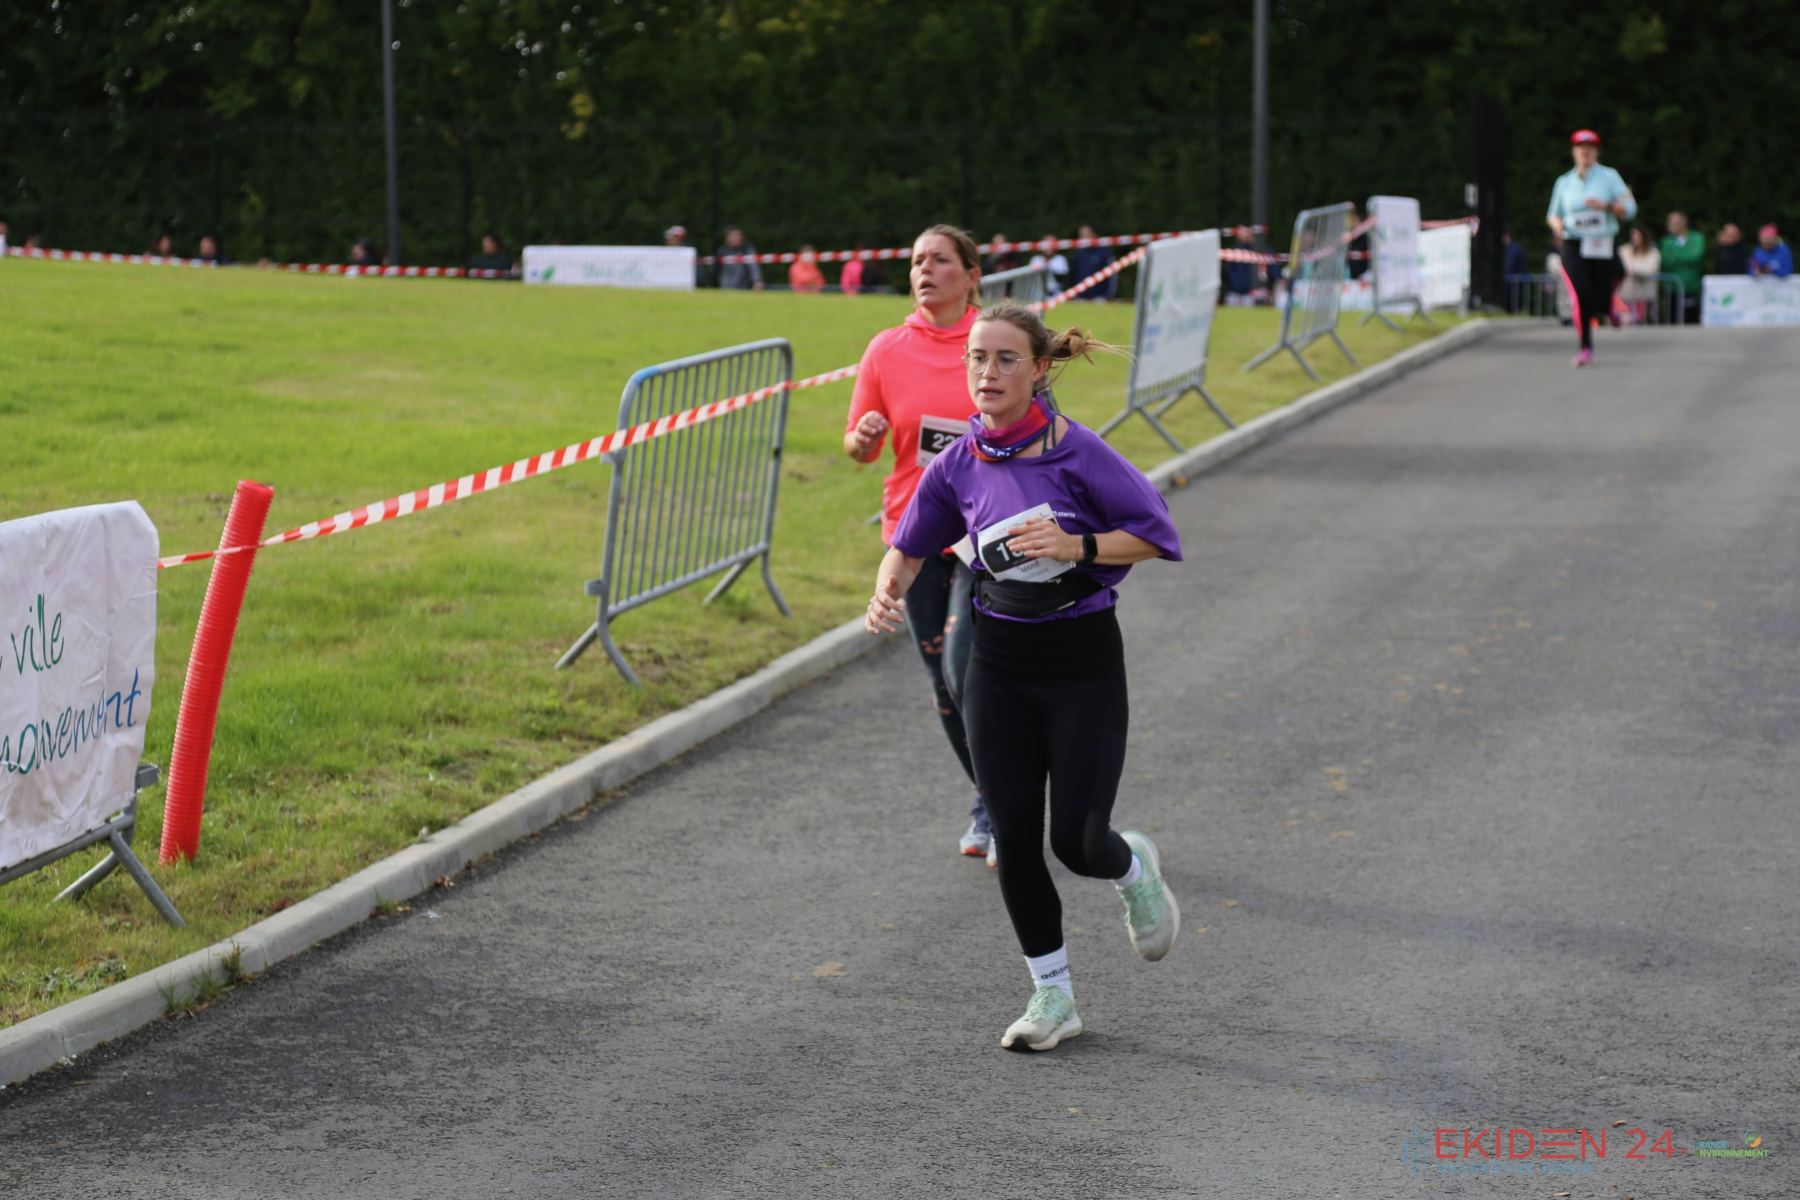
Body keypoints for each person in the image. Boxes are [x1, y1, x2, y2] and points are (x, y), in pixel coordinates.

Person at [866, 301, 1183, 1052]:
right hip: (998, 664)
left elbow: (1155, 533)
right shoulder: (958, 463)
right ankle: (1053, 996)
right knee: (1013, 833)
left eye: (1006, 359)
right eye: (977, 358)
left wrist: (1077, 546)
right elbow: (909, 545)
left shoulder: (1080, 453)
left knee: (1077, 842)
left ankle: (1132, 868)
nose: (987, 372)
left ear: (1039, 369)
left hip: (1081, 661)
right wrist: (886, 587)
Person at [845, 225, 994, 862]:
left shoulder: (995, 341)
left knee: (965, 669)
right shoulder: (887, 349)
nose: (924, 270)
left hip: (985, 533)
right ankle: (994, 799)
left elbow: (1038, 427)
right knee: (942, 683)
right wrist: (864, 437)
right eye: (916, 261)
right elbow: (859, 445)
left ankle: (1002, 801)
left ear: (971, 275)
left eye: (939, 260)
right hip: (913, 534)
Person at [1545, 128, 1636, 367]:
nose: (1585, 151)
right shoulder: (1564, 182)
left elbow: (1630, 209)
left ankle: (1609, 307)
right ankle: (1585, 346)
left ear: (1596, 151)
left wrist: (1607, 206)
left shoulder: (1609, 177)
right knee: (1581, 293)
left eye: (1590, 147)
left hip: (1602, 241)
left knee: (1603, 292)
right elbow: (1553, 214)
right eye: (1581, 147)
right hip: (1574, 242)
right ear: (1574, 151)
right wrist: (1557, 226)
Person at [1658, 212, 1705, 324]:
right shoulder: (1666, 241)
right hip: (1672, 290)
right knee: (1672, 322)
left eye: (1671, 222)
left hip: (1691, 287)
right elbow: (1665, 261)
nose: (1668, 224)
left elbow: (1696, 257)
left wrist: (1676, 255)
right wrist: (1686, 254)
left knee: (1691, 322)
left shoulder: (1697, 238)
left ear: (1682, 223)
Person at [1617, 225, 1661, 323]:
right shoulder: (1624, 250)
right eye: (1633, 236)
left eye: (1638, 236)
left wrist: (1633, 271)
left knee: (1642, 321)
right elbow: (1620, 265)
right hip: (1626, 295)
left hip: (1645, 295)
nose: (1635, 239)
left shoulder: (1653, 252)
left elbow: (1650, 269)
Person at [1067, 224, 1116, 301]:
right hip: (1080, 297)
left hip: (1099, 297)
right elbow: (1073, 274)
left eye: (1086, 234)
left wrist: (1109, 294)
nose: (1083, 237)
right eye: (1081, 235)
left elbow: (1111, 275)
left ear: (1093, 234)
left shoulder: (1104, 253)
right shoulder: (1078, 253)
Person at [714, 226, 764, 291]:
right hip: (725, 288)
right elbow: (716, 270)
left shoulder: (748, 250)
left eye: (738, 235)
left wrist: (757, 280)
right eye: (733, 236)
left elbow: (754, 267)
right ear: (727, 238)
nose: (736, 238)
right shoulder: (721, 251)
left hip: (743, 288)